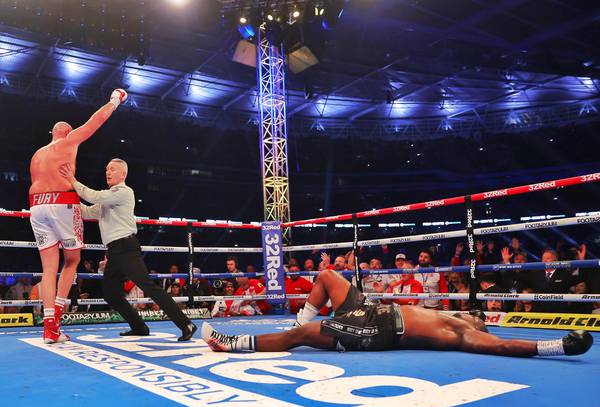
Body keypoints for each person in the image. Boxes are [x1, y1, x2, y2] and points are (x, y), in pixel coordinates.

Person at [202, 269, 593, 358]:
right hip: (372, 309)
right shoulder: (453, 317)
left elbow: (505, 347)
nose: (476, 315)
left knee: (301, 338)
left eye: (480, 318)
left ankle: (232, 343)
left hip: (380, 329)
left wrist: (558, 345)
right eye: (476, 314)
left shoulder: (465, 335)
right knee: (327, 275)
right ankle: (300, 321)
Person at [59, 158, 196, 341]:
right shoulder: (107, 200)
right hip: (114, 251)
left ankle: (186, 324)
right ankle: (139, 326)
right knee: (111, 294)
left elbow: (94, 196)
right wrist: (67, 197)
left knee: (148, 286)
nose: (108, 172)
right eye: (106, 169)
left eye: (112, 169)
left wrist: (73, 181)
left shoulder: (123, 192)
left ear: (123, 174)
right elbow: (86, 211)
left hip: (126, 248)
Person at [29, 89, 128, 343]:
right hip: (63, 203)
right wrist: (115, 100)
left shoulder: (37, 155)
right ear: (66, 132)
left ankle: (48, 328)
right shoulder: (68, 141)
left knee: (48, 268)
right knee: (72, 261)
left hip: (36, 206)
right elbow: (95, 121)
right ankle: (56, 319)